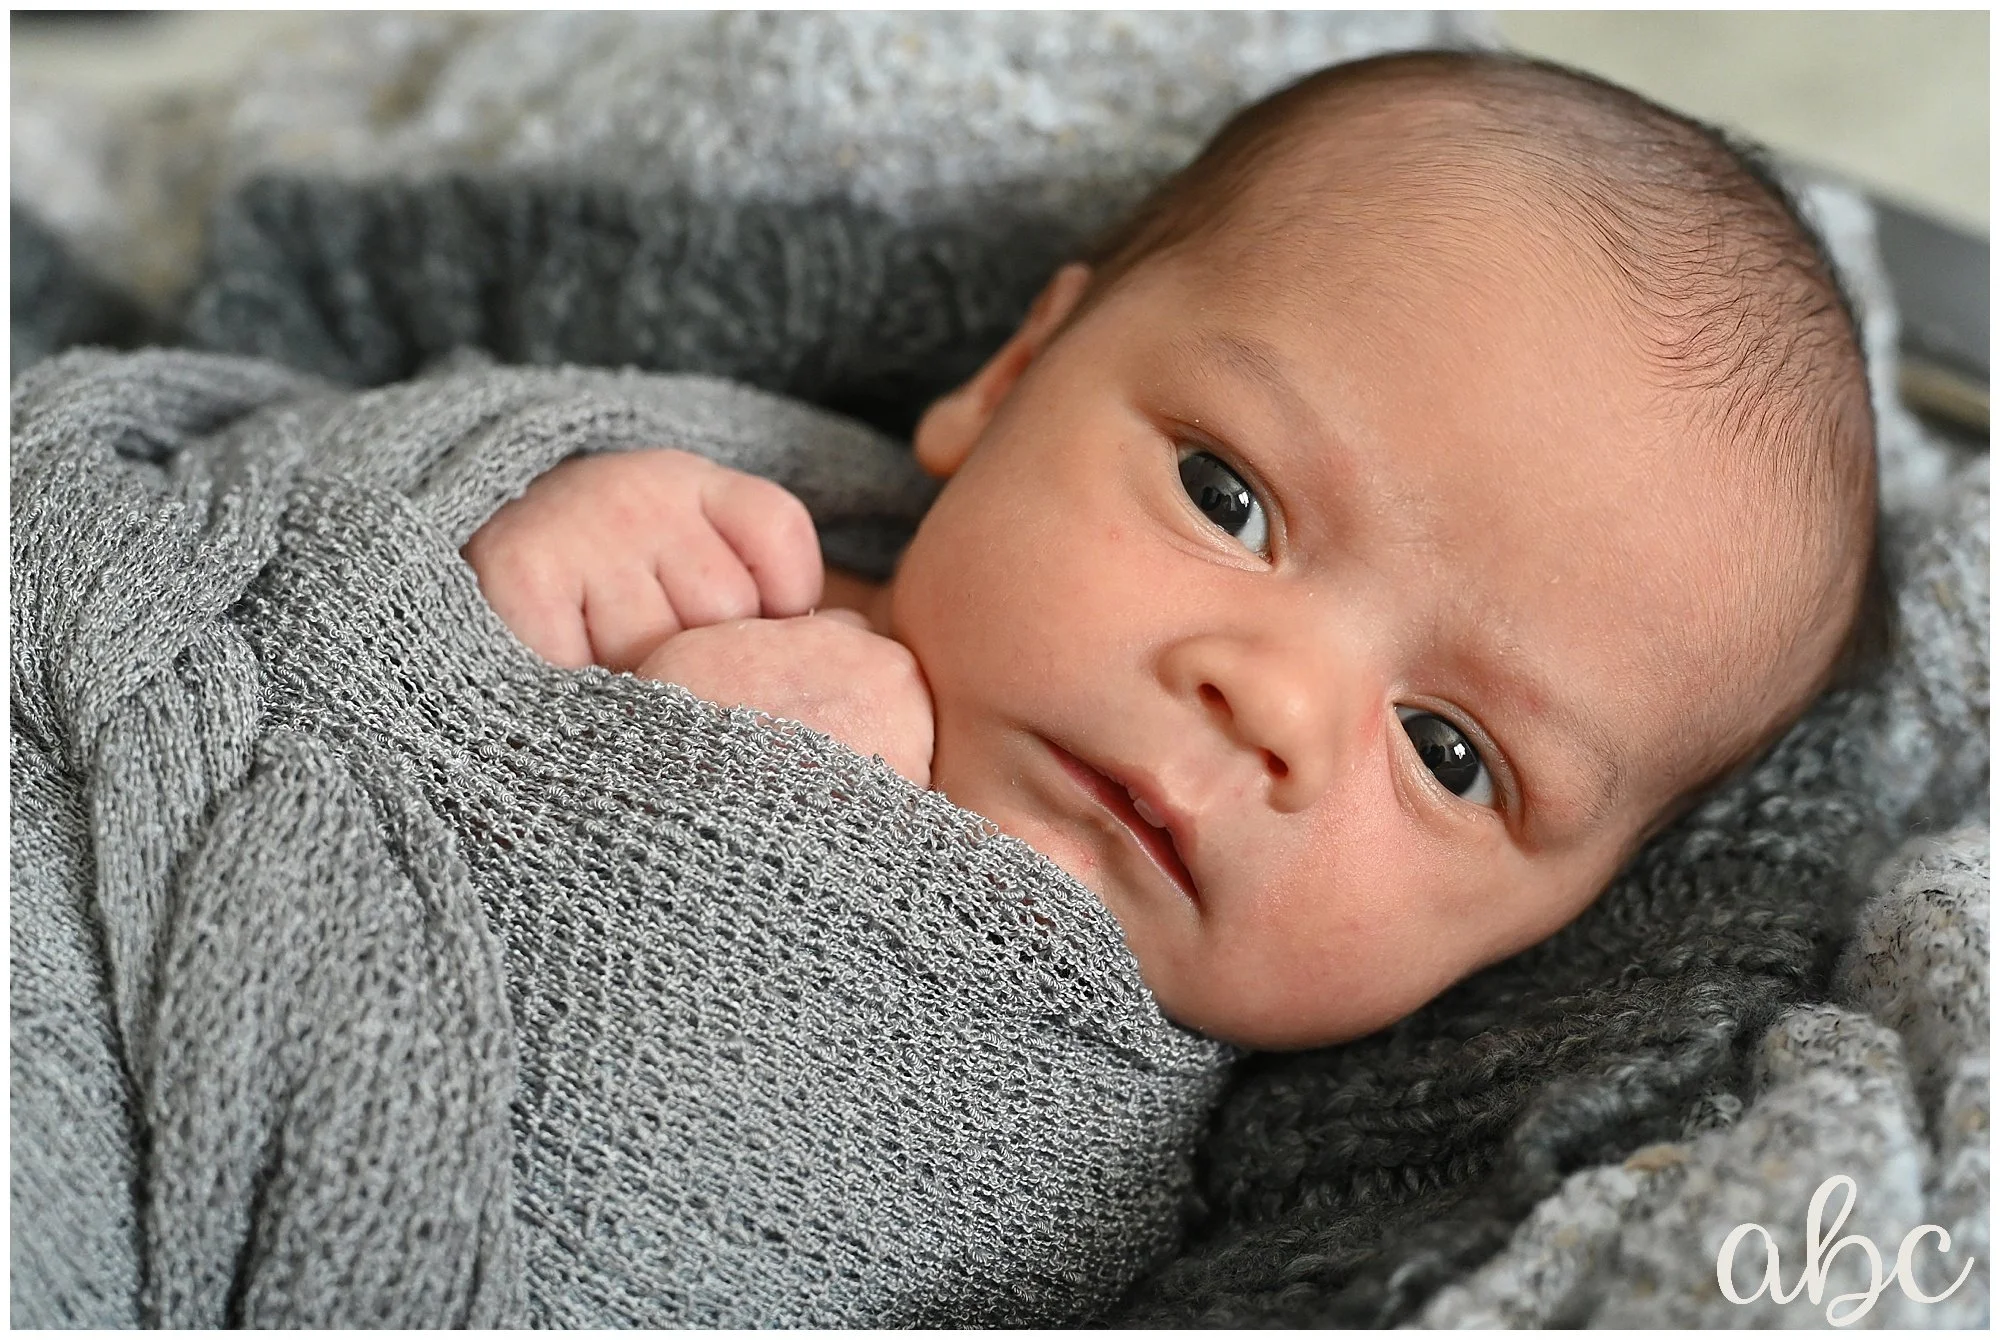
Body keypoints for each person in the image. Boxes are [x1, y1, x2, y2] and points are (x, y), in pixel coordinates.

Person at [459, 50, 1883, 1050]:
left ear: (1555, 930)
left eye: (1450, 754)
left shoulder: (1176, 1209)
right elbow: (276, 555)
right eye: (1226, 497)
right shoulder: (697, 536)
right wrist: (486, 606)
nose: (1271, 703)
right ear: (1015, 375)